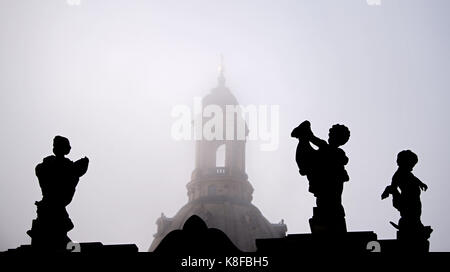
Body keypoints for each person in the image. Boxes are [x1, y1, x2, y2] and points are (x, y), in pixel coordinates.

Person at [27, 136, 89, 250]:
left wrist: (82, 164)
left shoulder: (65, 164)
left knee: (57, 227)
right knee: (54, 228)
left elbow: (76, 172)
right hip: (51, 203)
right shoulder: (49, 163)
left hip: (54, 203)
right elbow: (43, 173)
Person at [291, 120, 350, 233]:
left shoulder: (333, 150)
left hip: (332, 183)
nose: (329, 136)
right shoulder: (326, 147)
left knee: (331, 202)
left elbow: (312, 138)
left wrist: (306, 133)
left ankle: (331, 219)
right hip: (326, 183)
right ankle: (328, 217)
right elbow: (312, 138)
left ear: (337, 138)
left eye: (331, 135)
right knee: (325, 202)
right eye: (330, 134)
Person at [381, 150, 432, 239]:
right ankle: (410, 225)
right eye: (411, 164)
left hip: (414, 198)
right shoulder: (398, 174)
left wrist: (421, 183)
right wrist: (389, 191)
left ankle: (416, 224)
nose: (412, 167)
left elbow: (415, 179)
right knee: (411, 213)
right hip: (407, 199)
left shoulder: (407, 173)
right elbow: (393, 186)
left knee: (416, 212)